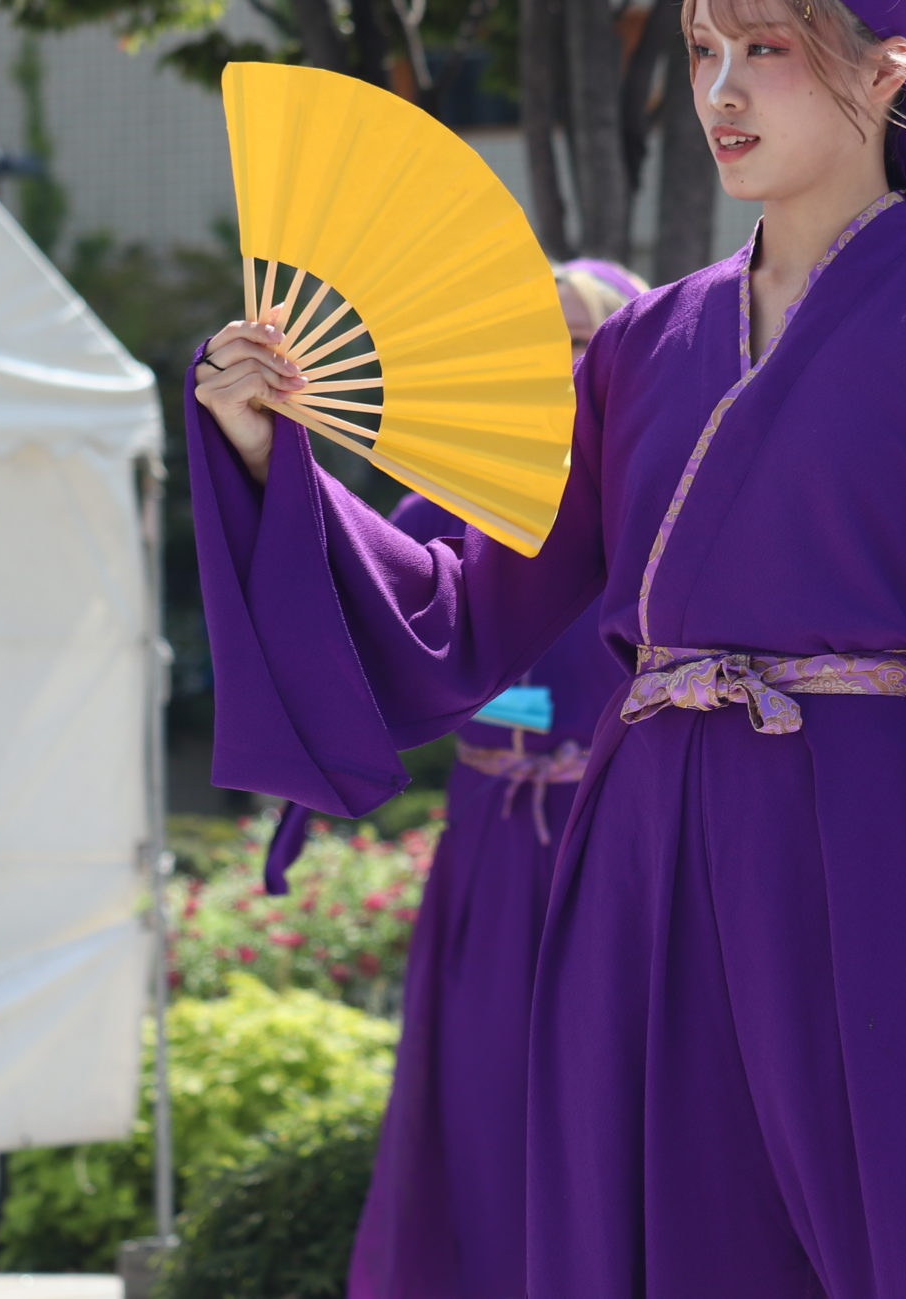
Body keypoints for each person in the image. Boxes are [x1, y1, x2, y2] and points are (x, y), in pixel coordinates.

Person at [188, 0, 906, 1299]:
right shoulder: (646, 341)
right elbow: (472, 603)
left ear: (886, 70)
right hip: (644, 852)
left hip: (867, 839)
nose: (720, 91)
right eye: (700, 54)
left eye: (765, 52)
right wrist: (271, 461)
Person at [265, 258, 650, 1299]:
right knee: (482, 1105)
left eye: (582, 338)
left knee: (613, 1106)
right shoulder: (451, 495)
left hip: (619, 841)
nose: (560, 361)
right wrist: (271, 449)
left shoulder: (659, 506)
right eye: (541, 340)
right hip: (491, 842)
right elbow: (360, 620)